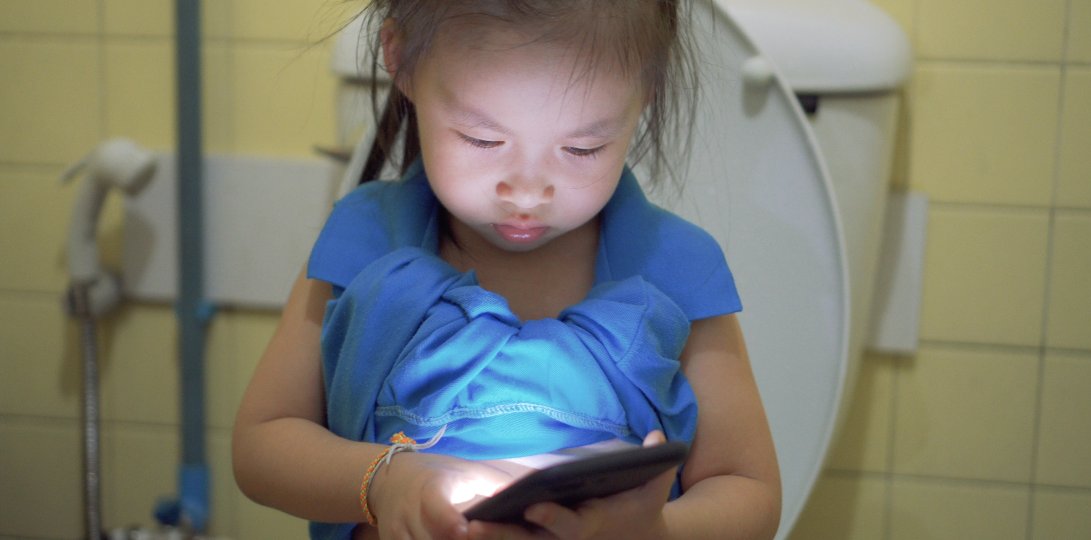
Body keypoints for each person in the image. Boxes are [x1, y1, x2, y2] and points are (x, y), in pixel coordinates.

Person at [232, 1, 781, 539]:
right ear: (400, 59)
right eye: (482, 139)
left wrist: (655, 532)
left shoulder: (677, 266)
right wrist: (382, 483)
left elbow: (747, 487)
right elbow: (263, 444)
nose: (527, 191)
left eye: (582, 148)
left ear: (648, 89)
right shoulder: (364, 238)